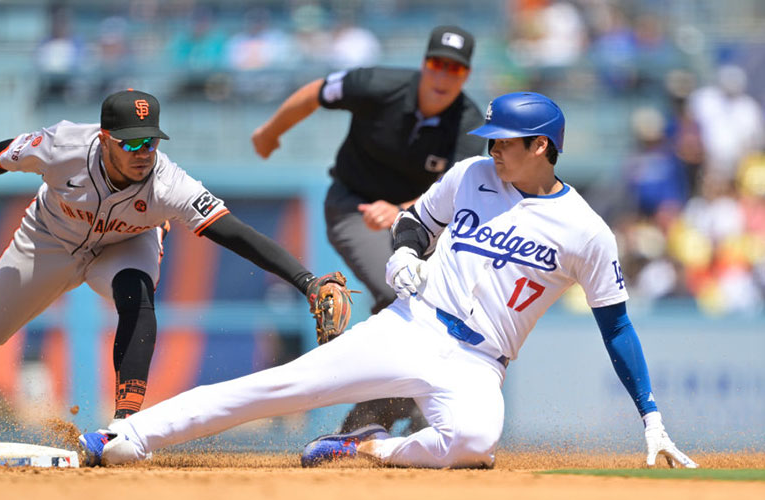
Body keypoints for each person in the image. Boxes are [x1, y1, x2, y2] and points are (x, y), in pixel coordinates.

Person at [79, 91, 698, 471]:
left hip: (479, 363)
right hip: (411, 326)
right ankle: (129, 436)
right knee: (278, 386)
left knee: (475, 441)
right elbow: (413, 223)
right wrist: (403, 255)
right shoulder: (472, 175)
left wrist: (652, 419)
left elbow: (616, 327)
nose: (492, 149)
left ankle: (365, 449)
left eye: (504, 141)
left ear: (541, 146)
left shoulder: (585, 230)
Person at [0, 89, 334, 448]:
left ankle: (125, 423)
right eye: (133, 142)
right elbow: (1, 155)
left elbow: (235, 233)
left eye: (152, 140)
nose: (145, 151)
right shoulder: (62, 145)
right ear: (104, 138)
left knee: (137, 295)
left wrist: (307, 281)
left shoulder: (169, 183)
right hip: (49, 240)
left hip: (126, 245)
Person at [251, 25, 486, 436]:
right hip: (351, 206)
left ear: (465, 75)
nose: (444, 75)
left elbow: (453, 191)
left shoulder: (467, 120)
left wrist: (399, 210)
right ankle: (389, 411)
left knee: (450, 305)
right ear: (424, 63)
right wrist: (270, 132)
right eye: (437, 64)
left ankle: (385, 413)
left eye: (456, 69)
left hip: (422, 222)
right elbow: (317, 92)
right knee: (402, 292)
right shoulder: (378, 84)